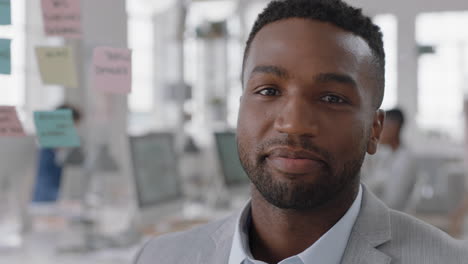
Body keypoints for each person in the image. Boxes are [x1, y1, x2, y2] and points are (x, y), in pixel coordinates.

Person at [135, 1, 467, 263]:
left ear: (374, 131)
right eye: (268, 91)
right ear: (240, 108)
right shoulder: (157, 257)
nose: (293, 123)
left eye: (331, 98)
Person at [361, 108, 418, 211]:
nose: (377, 132)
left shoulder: (405, 161)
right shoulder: (387, 154)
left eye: (381, 126)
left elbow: (393, 203)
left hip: (390, 217)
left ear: (394, 128)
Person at [32, 103, 82, 202]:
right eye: (73, 127)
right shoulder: (46, 147)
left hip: (51, 200)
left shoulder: (56, 147)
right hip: (43, 201)